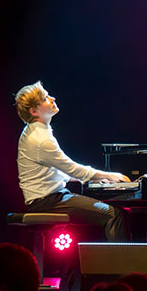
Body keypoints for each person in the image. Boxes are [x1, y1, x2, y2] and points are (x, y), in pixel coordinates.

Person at [15, 81, 130, 241]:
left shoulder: (34, 132)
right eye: (46, 98)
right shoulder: (41, 140)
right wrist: (111, 176)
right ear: (34, 111)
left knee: (106, 210)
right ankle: (120, 266)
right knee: (113, 215)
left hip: (50, 198)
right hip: (49, 201)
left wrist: (97, 179)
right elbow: (72, 169)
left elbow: (57, 171)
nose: (53, 98)